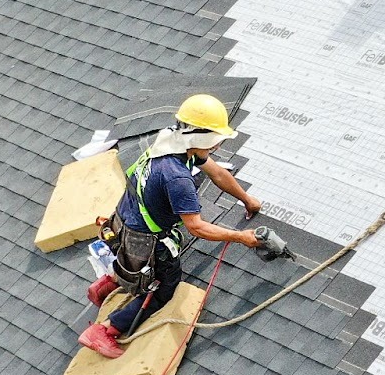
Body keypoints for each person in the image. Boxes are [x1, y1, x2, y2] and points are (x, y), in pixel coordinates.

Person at [78, 94, 265, 359]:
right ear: (204, 138)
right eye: (218, 137)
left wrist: (248, 200)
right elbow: (197, 228)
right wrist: (241, 237)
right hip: (142, 238)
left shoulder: (172, 140)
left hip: (122, 218)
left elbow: (218, 173)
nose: (220, 142)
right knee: (164, 288)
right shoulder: (177, 178)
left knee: (131, 259)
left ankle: (109, 283)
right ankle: (106, 330)